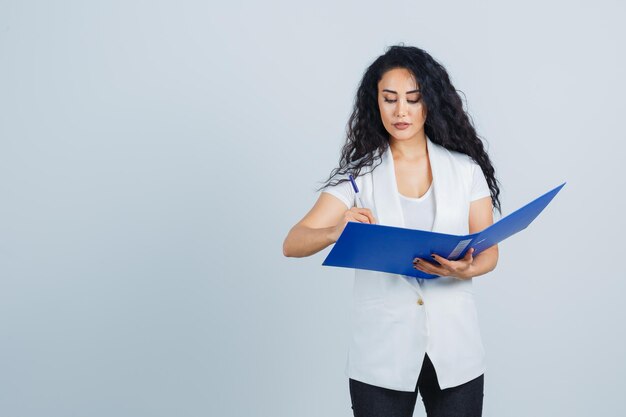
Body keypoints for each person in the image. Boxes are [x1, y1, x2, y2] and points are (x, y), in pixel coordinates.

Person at [282, 45, 501, 417]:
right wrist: (336, 230)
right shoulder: (359, 176)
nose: (401, 111)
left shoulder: (465, 170)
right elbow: (293, 243)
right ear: (376, 103)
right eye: (390, 99)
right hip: (381, 353)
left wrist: (466, 269)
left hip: (455, 348)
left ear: (429, 103)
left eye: (413, 99)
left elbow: (490, 252)